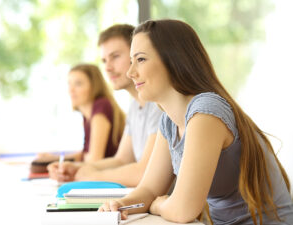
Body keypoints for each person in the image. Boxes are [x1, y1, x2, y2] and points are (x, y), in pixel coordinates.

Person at [98, 19, 293, 225]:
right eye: (131, 61)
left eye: (141, 60)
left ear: (173, 60)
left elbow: (183, 210)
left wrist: (158, 205)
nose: (131, 72)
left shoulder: (206, 112)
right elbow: (149, 189)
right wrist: (122, 204)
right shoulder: (169, 121)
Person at [47, 24, 163, 187]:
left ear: (136, 55)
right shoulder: (134, 107)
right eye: (104, 60)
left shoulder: (159, 105)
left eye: (115, 56)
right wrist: (77, 168)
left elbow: (144, 172)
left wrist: (92, 176)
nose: (107, 68)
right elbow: (122, 160)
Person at [31, 64, 125, 173]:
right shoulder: (87, 116)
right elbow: (85, 154)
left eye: (78, 84)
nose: (71, 90)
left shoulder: (101, 106)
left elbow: (94, 159)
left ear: (94, 86)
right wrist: (53, 157)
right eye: (69, 84)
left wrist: (58, 160)